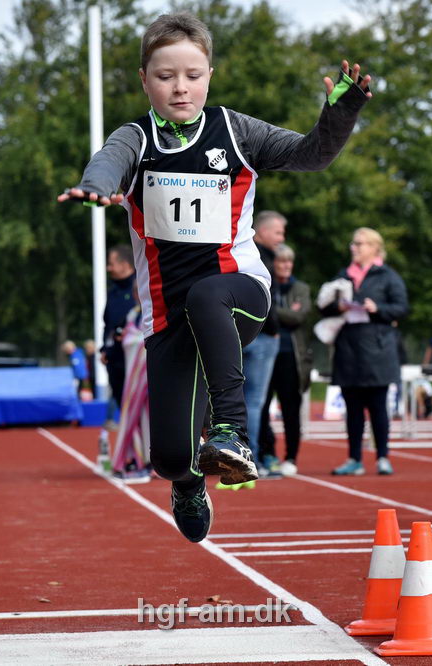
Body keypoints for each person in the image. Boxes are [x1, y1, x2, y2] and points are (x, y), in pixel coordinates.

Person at [58, 11, 371, 542]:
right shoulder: (136, 138)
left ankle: (232, 429)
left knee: (208, 294)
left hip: (240, 289)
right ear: (144, 80)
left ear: (209, 75)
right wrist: (98, 185)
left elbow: (309, 155)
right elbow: (110, 160)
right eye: (165, 76)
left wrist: (339, 114)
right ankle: (188, 481)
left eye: (193, 75)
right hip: (167, 313)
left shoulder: (236, 130)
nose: (180, 87)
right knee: (170, 457)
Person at [320, 227, 408, 476]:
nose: (354, 247)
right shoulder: (342, 275)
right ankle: (354, 459)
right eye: (353, 243)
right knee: (353, 410)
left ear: (374, 247)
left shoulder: (388, 276)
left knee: (379, 407)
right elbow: (324, 308)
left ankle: (382, 457)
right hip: (348, 349)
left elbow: (401, 308)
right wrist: (336, 306)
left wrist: (377, 308)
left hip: (378, 350)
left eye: (359, 243)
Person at [257, 244, 311, 477]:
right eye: (281, 262)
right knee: (261, 405)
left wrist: (274, 310)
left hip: (292, 356)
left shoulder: (301, 288)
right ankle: (266, 453)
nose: (286, 266)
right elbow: (264, 310)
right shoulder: (264, 284)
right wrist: (282, 312)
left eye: (290, 262)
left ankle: (291, 457)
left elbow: (299, 316)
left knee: (291, 408)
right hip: (266, 354)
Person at [241, 211, 286, 478]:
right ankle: (252, 458)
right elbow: (265, 301)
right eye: (278, 232)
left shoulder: (241, 252)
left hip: (241, 334)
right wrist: (274, 330)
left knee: (234, 400)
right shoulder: (263, 258)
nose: (282, 238)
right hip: (261, 336)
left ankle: (239, 455)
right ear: (261, 232)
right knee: (255, 402)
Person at [101, 245, 136, 409]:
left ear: (125, 265)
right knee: (123, 405)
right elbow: (108, 323)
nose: (108, 268)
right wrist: (104, 349)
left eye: (111, 263)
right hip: (115, 360)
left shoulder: (142, 286)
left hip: (135, 358)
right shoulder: (113, 292)